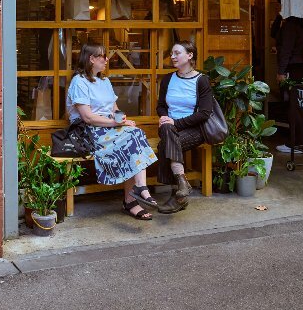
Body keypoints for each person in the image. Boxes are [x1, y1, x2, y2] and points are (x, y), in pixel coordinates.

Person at [66, 43, 160, 220]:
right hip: (88, 133)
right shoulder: (79, 82)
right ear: (91, 59)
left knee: (135, 132)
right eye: (102, 56)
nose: (107, 59)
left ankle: (137, 191)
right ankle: (134, 198)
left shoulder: (104, 81)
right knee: (132, 139)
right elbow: (87, 117)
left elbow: (114, 108)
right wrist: (115, 124)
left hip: (108, 128)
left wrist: (122, 120)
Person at [155, 40, 214, 214]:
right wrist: (165, 116)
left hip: (195, 129)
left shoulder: (201, 81)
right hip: (169, 128)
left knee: (164, 144)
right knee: (167, 130)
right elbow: (160, 105)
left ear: (190, 56)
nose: (172, 56)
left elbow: (204, 113)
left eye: (177, 53)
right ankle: (182, 185)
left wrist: (176, 123)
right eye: (172, 53)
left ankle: (178, 195)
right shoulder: (168, 79)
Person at [276, 16, 303, 147]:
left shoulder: (290, 26)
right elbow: (274, 33)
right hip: (299, 67)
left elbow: (286, 50)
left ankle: (295, 143)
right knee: (299, 105)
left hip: (292, 67)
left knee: (294, 106)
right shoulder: (301, 24)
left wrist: (281, 72)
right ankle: (301, 141)